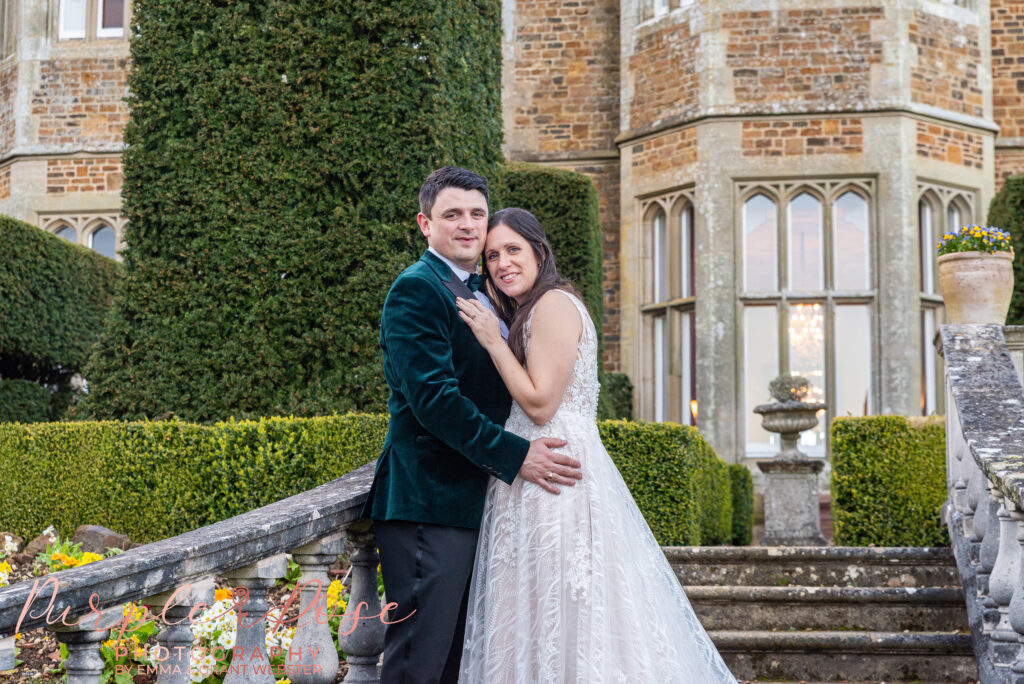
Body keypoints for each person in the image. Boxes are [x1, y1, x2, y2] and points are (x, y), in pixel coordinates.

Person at [455, 207, 738, 683]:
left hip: (555, 481)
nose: (502, 263)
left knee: (570, 613)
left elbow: (542, 405)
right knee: (536, 613)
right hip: (534, 474)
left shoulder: (553, 306)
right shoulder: (531, 309)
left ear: (539, 252)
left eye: (513, 250)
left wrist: (492, 341)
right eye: (492, 256)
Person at [361, 168, 584, 684]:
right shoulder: (416, 290)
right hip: (428, 505)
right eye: (452, 214)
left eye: (477, 214)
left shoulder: (486, 293)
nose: (467, 225)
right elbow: (435, 401)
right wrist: (516, 455)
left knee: (461, 661)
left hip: (477, 505)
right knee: (418, 660)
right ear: (425, 223)